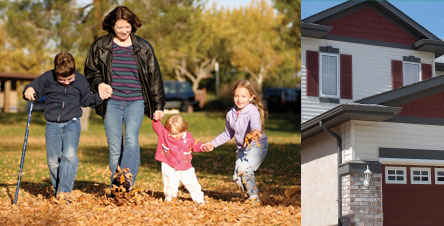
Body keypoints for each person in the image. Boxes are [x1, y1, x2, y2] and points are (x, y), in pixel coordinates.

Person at [84, 6, 165, 188]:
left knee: (130, 139)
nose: (123, 31)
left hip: (136, 101)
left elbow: (154, 77)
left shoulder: (143, 47)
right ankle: (116, 185)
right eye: (120, 27)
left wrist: (158, 105)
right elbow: (90, 71)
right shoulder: (100, 46)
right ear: (112, 26)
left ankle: (126, 181)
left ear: (132, 25)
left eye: (127, 27)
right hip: (111, 102)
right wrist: (100, 84)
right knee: (114, 147)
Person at [23, 52, 104, 197]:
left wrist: (99, 97)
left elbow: (86, 100)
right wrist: (28, 90)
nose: (67, 82)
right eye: (62, 80)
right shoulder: (48, 77)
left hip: (72, 122)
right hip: (52, 124)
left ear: (74, 72)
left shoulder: (80, 80)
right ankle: (58, 189)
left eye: (70, 79)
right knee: (53, 161)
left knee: (69, 155)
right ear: (56, 72)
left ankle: (64, 192)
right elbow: (33, 87)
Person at [204, 80, 268, 203]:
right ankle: (249, 195)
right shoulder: (230, 114)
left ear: (251, 97)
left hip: (257, 146)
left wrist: (255, 131)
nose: (240, 99)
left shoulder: (252, 111)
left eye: (243, 96)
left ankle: (254, 199)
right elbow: (228, 133)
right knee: (237, 178)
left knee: (244, 169)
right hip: (242, 149)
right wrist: (213, 143)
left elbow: (255, 124)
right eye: (236, 96)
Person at [152, 114, 207, 204]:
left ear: (184, 129)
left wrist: (203, 147)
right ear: (168, 130)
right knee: (170, 183)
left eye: (179, 132)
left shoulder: (187, 137)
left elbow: (194, 145)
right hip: (168, 164)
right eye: (173, 133)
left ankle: (199, 200)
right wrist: (156, 119)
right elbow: (157, 126)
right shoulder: (164, 135)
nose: (177, 135)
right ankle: (170, 199)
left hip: (185, 165)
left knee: (192, 183)